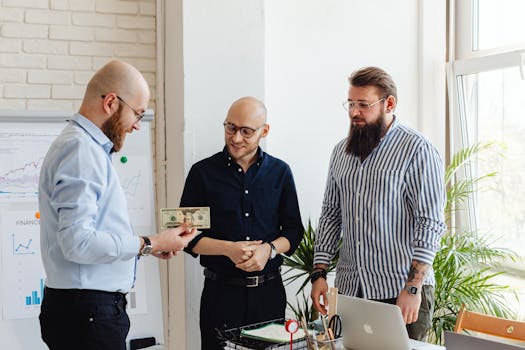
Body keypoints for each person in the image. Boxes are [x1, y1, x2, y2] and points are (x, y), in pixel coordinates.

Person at [38, 60, 197, 350]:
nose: (138, 125)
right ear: (111, 102)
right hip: (88, 314)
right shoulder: (81, 151)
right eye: (137, 113)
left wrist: (150, 246)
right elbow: (77, 243)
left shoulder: (84, 148)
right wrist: (149, 241)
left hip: (83, 312)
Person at [311, 66, 446, 340]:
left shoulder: (417, 149)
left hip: (400, 293)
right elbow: (330, 215)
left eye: (363, 104)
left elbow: (429, 223)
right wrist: (319, 274)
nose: (354, 112)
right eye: (350, 104)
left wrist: (413, 289)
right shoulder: (341, 151)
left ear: (389, 103)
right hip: (352, 291)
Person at [180, 96, 304, 349]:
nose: (236, 138)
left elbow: (293, 231)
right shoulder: (202, 173)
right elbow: (186, 237)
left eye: (247, 131)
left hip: (268, 294)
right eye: (231, 128)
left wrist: (267, 250)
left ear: (264, 131)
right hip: (219, 294)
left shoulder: (280, 172)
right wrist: (228, 248)